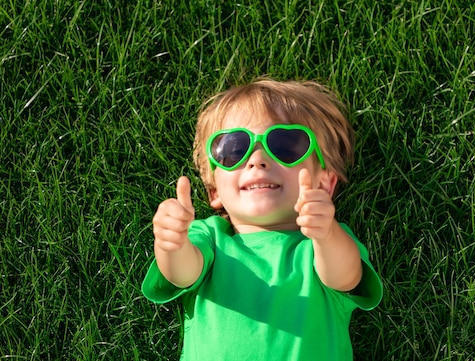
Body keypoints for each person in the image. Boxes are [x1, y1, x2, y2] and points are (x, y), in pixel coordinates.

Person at [142, 79, 382, 360]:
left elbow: (345, 277)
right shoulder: (209, 237)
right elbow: (182, 273)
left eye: (285, 145)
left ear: (324, 184)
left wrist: (326, 234)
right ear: (214, 191)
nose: (257, 159)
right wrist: (172, 243)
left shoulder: (324, 245)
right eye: (233, 149)